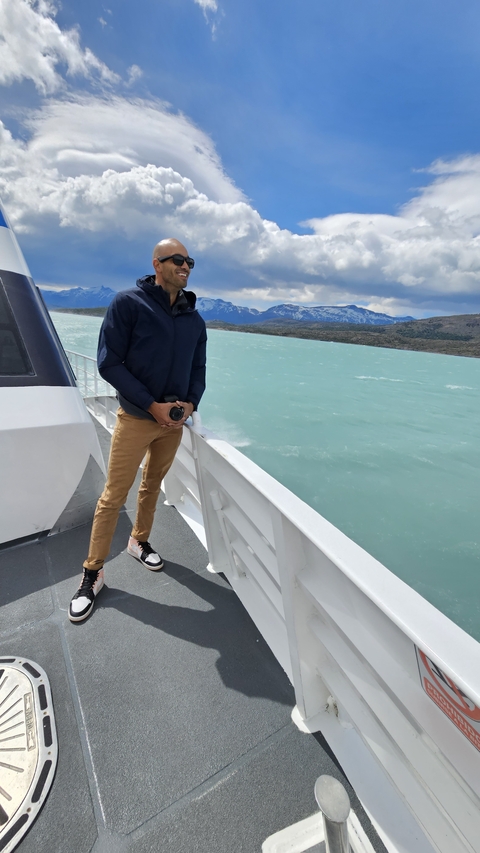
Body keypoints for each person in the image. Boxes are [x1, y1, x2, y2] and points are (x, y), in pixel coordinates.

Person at [68, 238, 207, 623]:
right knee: (114, 496)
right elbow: (108, 363)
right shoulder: (128, 303)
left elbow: (198, 370)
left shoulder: (195, 320)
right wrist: (151, 405)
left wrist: (191, 404)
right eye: (177, 260)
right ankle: (91, 574)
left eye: (189, 261)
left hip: (173, 425)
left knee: (152, 485)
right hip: (136, 418)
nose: (185, 266)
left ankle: (139, 541)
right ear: (157, 263)